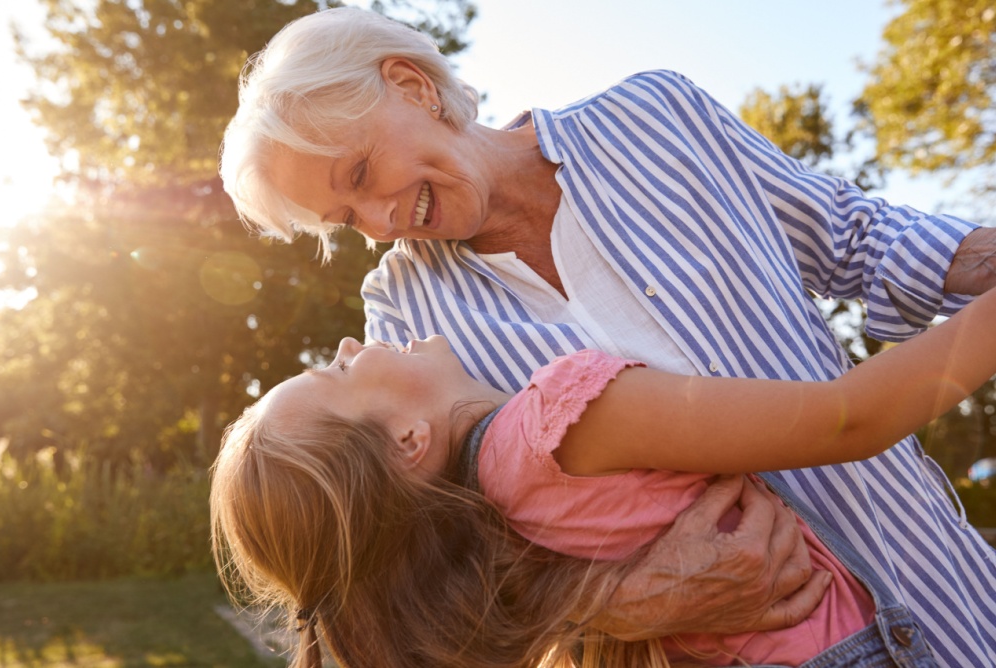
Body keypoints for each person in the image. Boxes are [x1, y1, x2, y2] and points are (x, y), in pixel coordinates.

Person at [218, 7, 996, 665]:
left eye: (359, 175)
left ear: (413, 86)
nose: (382, 220)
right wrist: (612, 602)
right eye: (348, 219)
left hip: (936, 581)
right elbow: (435, 567)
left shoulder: (656, 118)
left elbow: (856, 237)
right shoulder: (404, 324)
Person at [213, 283, 996, 667]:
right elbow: (846, 418)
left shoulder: (503, 514)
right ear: (409, 440)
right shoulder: (562, 413)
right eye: (335, 371)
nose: (353, 344)